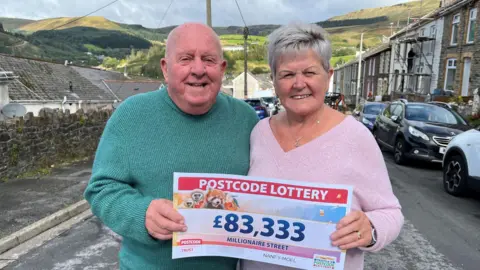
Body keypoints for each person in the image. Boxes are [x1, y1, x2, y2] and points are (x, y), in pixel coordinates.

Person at [84, 22, 259, 270]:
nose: (198, 69)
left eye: (208, 60)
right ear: (166, 69)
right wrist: (141, 213)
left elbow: (268, 191)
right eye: (186, 59)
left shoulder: (246, 119)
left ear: (222, 69)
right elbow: (101, 189)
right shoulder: (132, 115)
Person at [241, 23, 404, 270]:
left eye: (309, 72)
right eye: (287, 74)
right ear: (274, 80)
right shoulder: (259, 132)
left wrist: (370, 228)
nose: (298, 84)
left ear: (328, 76)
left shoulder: (355, 136)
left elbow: (390, 211)